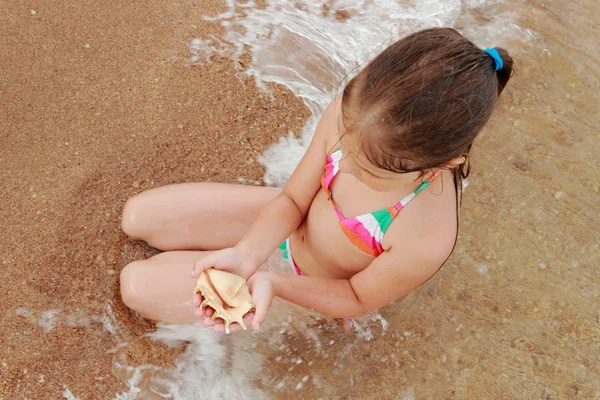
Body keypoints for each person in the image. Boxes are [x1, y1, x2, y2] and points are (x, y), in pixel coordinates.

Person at [119, 27, 513, 333]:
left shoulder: (426, 234)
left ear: (443, 163)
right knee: (136, 216)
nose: (348, 168)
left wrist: (273, 282)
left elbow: (357, 297)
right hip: (293, 223)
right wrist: (248, 252)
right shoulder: (359, 114)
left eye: (372, 172)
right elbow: (293, 199)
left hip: (311, 287)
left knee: (135, 286)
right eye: (345, 148)